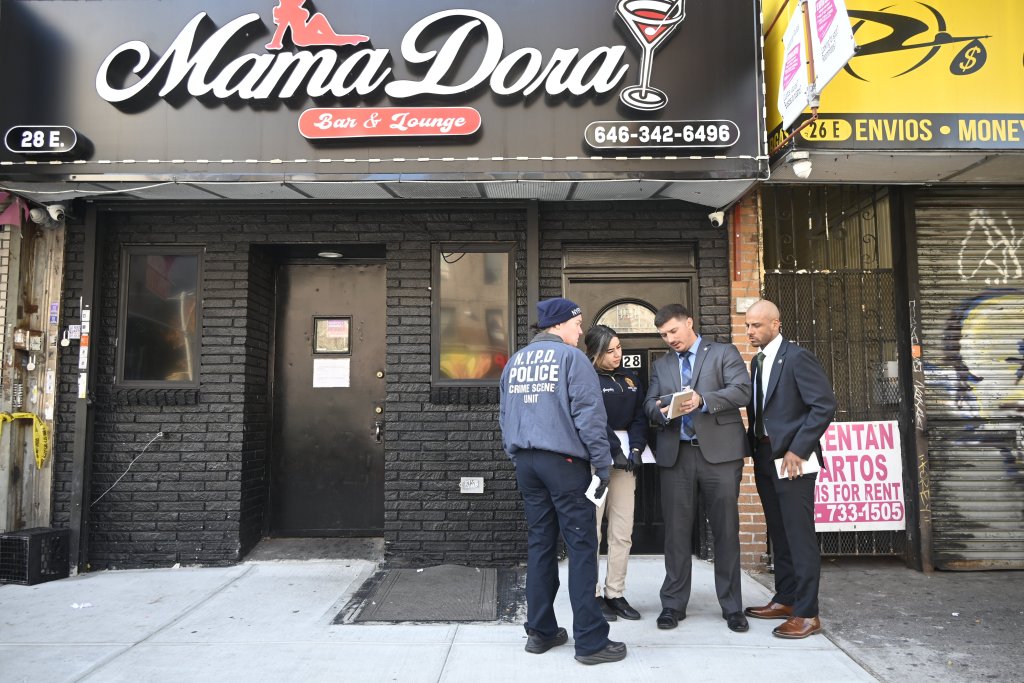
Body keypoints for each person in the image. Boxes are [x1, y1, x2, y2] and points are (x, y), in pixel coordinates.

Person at [499, 297, 627, 665]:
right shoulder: (572, 359)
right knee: (581, 547)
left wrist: (517, 455)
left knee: (540, 544)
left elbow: (505, 415)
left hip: (528, 463)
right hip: (565, 463)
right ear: (558, 324)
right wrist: (602, 465)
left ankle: (540, 632)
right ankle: (590, 641)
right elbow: (589, 416)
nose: (581, 331)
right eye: (577, 323)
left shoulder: (516, 361)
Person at [643, 304, 752, 633]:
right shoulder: (661, 364)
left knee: (726, 531)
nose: (669, 339)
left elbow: (743, 391)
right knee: (676, 533)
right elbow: (648, 404)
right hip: (676, 456)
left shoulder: (723, 352)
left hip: (720, 455)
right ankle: (673, 605)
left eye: (673, 331)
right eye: (663, 335)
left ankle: (732, 607)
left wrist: (703, 400)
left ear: (689, 323)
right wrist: (660, 411)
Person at [743, 299, 836, 639]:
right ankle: (785, 598)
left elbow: (823, 405)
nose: (750, 331)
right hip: (765, 455)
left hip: (793, 458)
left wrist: (799, 448)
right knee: (779, 531)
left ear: (775, 324)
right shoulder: (757, 361)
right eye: (747, 325)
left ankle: (807, 613)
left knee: (799, 534)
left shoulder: (797, 357)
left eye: (756, 325)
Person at [584, 325, 647, 622]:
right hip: (593, 462)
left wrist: (635, 449)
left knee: (622, 530)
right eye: (610, 351)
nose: (617, 355)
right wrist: (613, 450)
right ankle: (592, 593)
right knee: (592, 531)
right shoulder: (585, 378)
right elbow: (593, 417)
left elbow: (639, 417)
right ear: (595, 353)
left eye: (619, 348)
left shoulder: (630, 379)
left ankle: (615, 593)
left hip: (625, 465)